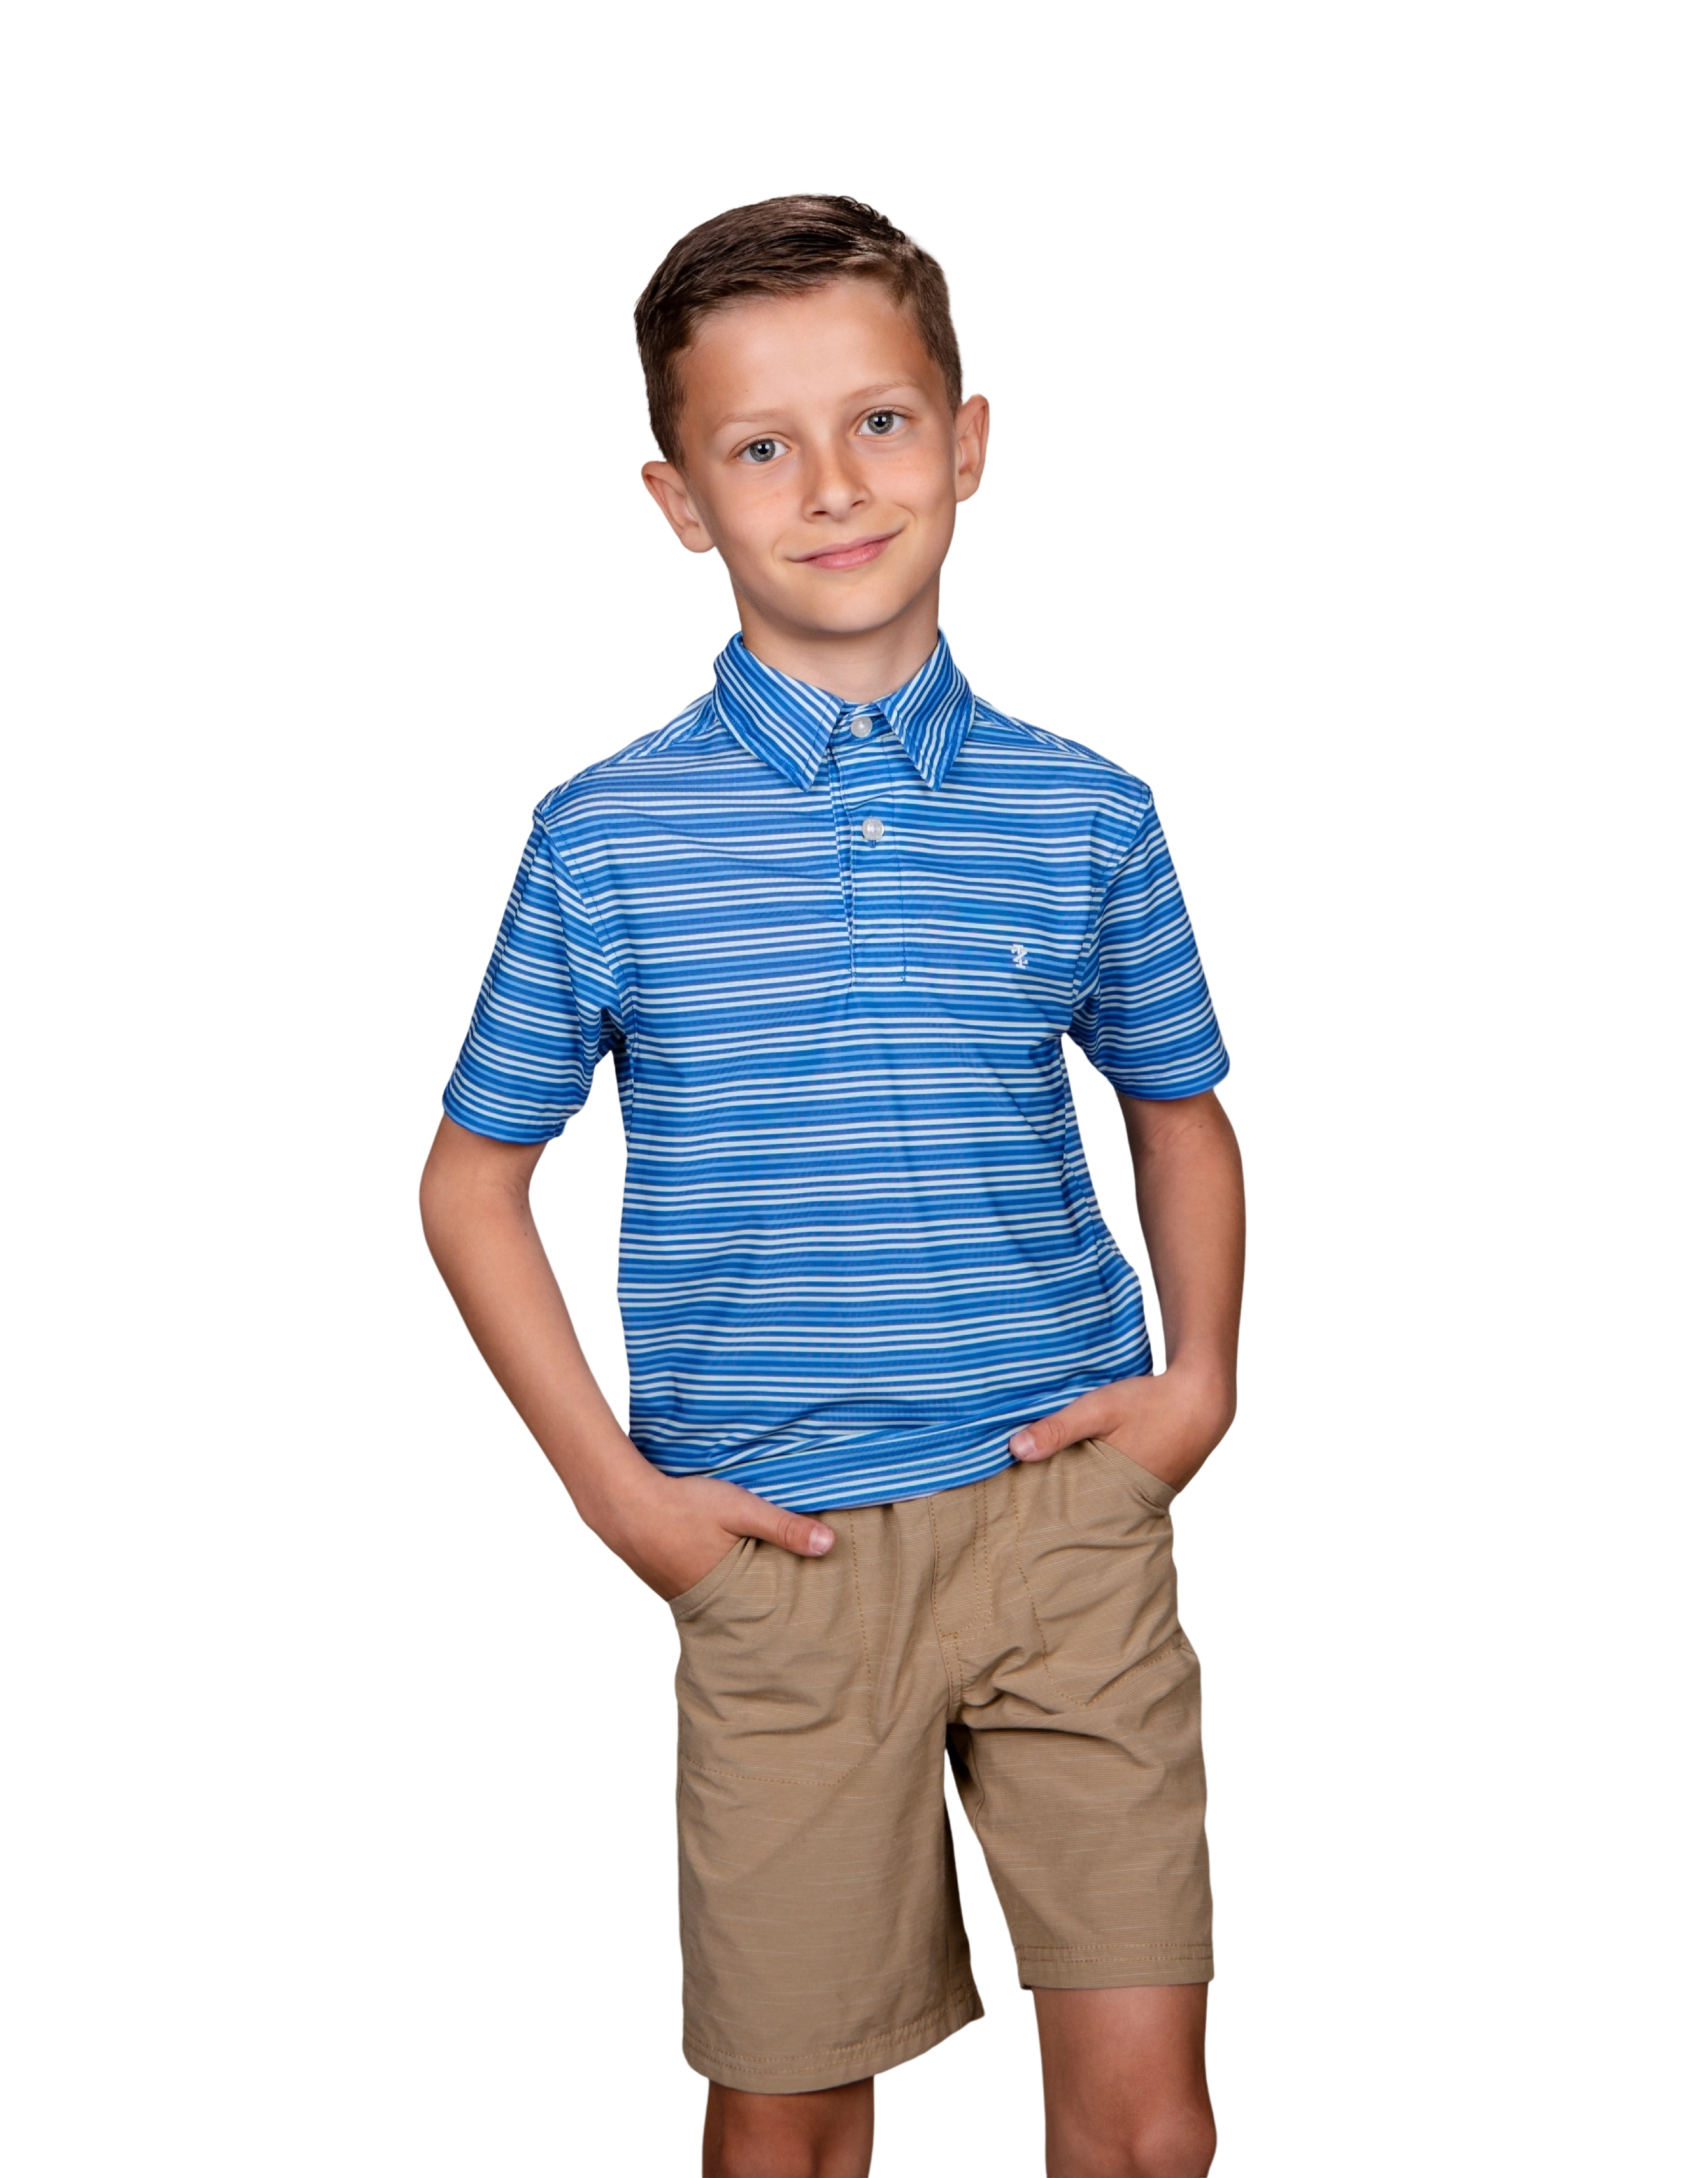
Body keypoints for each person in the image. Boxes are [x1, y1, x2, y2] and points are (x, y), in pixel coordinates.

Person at [416, 188, 1247, 2178]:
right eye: (761, 445)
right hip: (772, 1557)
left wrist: (1197, 1386)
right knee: (786, 2121)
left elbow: (1182, 1113)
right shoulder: (608, 837)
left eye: (879, 420)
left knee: (1151, 2128)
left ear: (972, 441)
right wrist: (626, 1502)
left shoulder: (1088, 811)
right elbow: (468, 1184)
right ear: (679, 502)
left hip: (1066, 1523)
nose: (835, 485)